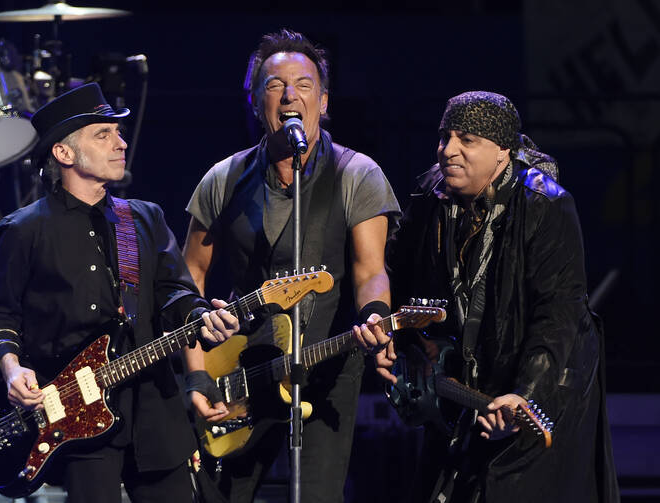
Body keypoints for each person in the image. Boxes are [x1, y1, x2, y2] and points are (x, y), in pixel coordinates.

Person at [0, 82, 239, 503]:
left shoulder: (144, 218)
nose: (120, 143)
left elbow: (176, 294)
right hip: (78, 423)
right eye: (104, 134)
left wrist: (200, 318)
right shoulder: (24, 230)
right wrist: (10, 369)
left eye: (117, 133)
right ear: (63, 153)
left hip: (155, 412)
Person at [354, 91, 619, 502]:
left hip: (540, 393)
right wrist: (395, 338)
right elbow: (396, 275)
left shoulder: (546, 206)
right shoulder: (430, 195)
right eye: (444, 137)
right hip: (463, 393)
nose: (448, 151)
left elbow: (559, 315)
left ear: (503, 152)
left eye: (467, 139)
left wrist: (526, 393)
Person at [182, 29, 400, 503]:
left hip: (325, 369)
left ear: (323, 102)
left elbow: (370, 270)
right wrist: (199, 376)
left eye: (303, 84)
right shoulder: (222, 179)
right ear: (256, 101)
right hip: (242, 369)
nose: (289, 95)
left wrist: (374, 313)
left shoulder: (358, 173)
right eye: (274, 84)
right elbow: (188, 281)